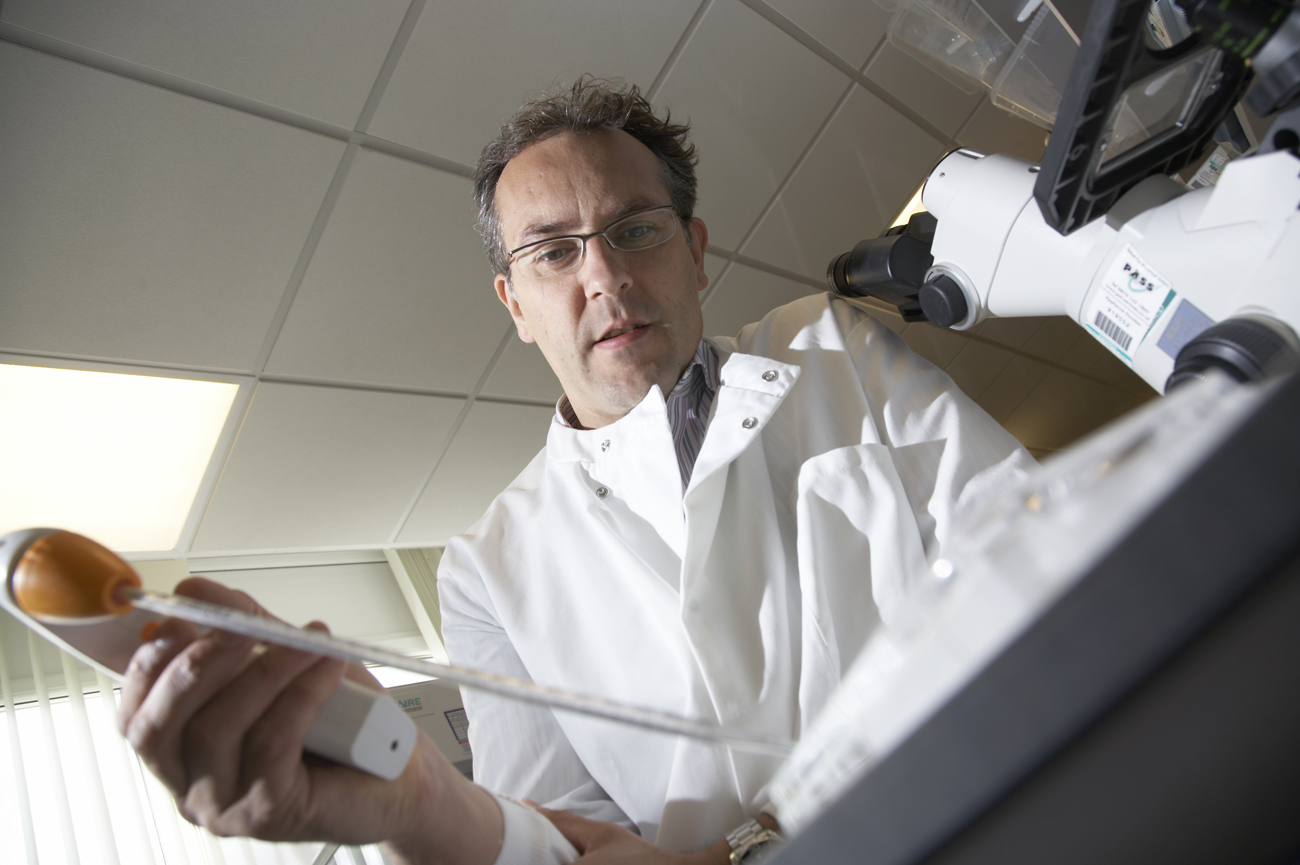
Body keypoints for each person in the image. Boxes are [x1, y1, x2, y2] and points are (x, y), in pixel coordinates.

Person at [119, 79, 1033, 865]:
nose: (604, 275)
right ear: (516, 303)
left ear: (696, 251)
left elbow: (1038, 556)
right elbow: (561, 836)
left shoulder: (833, 348)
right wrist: (413, 807)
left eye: (636, 229)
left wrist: (752, 844)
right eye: (553, 250)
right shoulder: (487, 569)